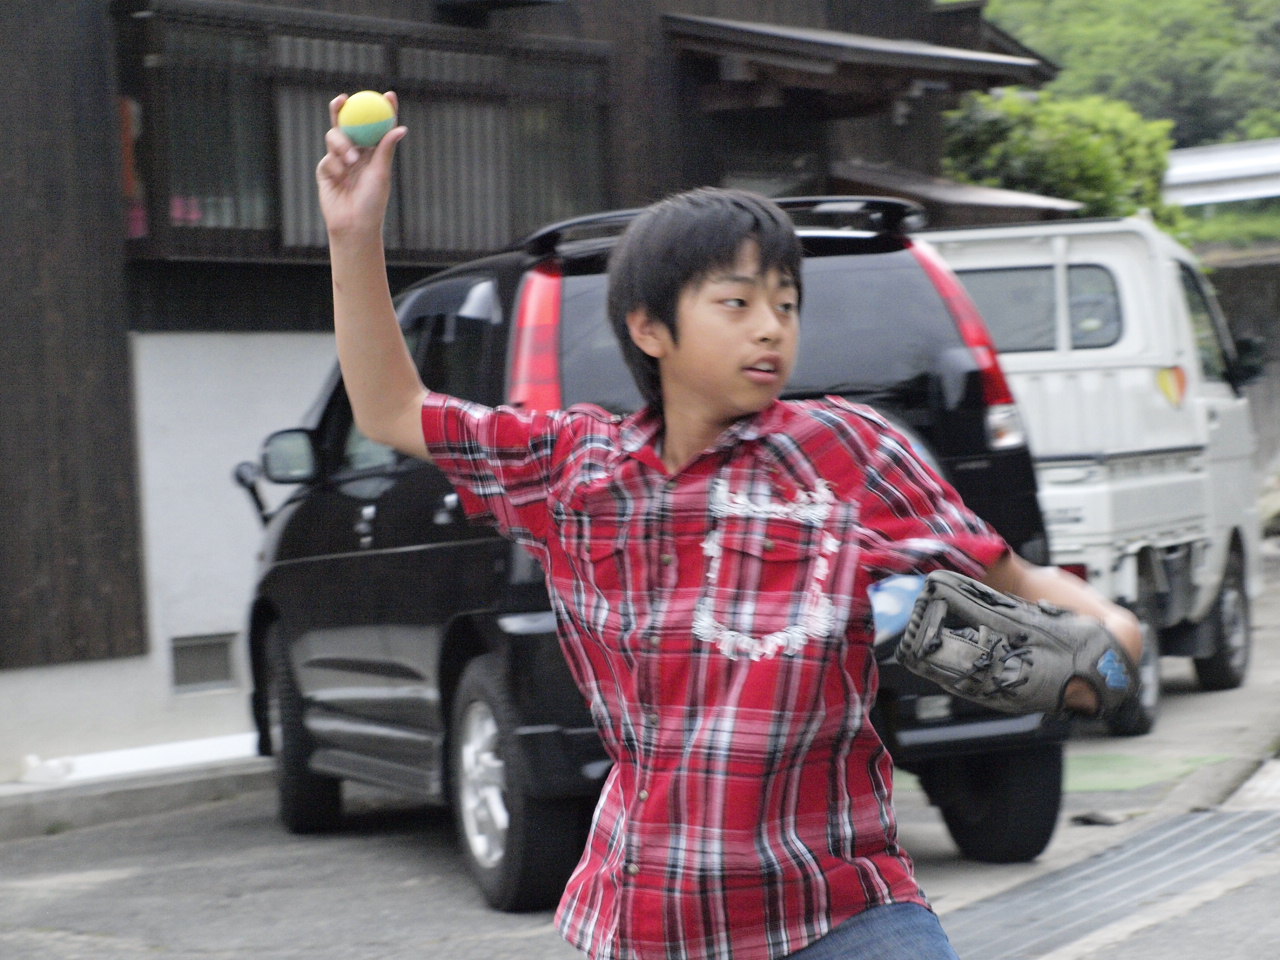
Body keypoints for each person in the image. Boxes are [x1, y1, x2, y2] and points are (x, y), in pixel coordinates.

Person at [317, 91, 1142, 960]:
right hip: (655, 921)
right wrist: (353, 235)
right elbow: (392, 407)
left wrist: (1106, 636)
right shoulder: (578, 471)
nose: (771, 328)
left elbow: (1011, 578)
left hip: (844, 909)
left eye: (786, 304)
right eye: (737, 303)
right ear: (650, 328)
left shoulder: (848, 448)